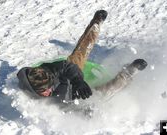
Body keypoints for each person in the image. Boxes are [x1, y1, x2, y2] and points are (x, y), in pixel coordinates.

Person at [17, 10, 147, 102]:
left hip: (72, 80)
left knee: (80, 53)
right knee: (105, 93)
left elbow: (66, 67)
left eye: (48, 87)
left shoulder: (50, 71)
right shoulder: (27, 87)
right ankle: (129, 72)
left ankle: (96, 23)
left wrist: (77, 81)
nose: (48, 91)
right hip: (72, 98)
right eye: (44, 91)